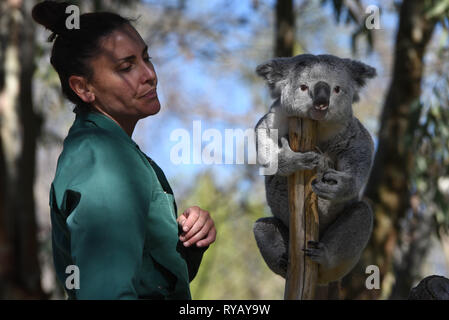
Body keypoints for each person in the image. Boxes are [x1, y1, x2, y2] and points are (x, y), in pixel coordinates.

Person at [32, 1, 216, 300]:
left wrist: (187, 243)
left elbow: (145, 277)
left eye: (147, 58)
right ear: (83, 88)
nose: (149, 74)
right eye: (126, 67)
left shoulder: (115, 151)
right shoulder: (102, 159)